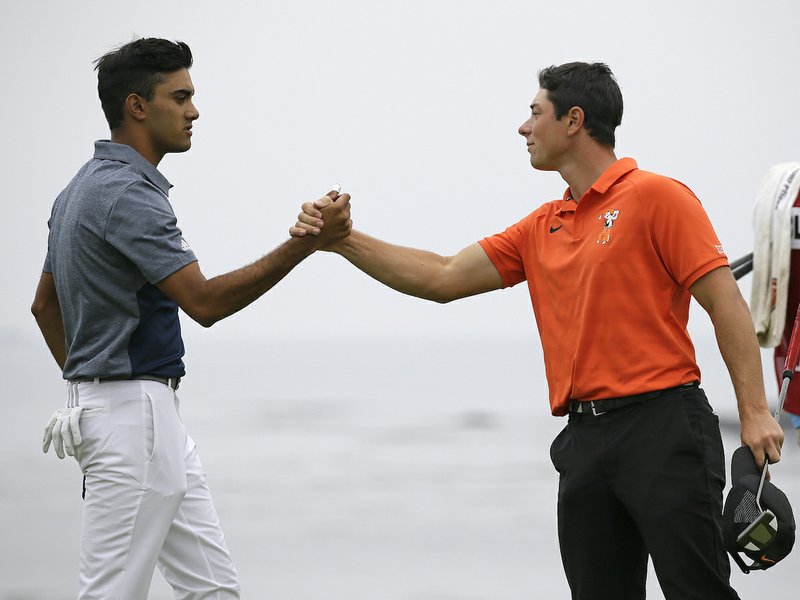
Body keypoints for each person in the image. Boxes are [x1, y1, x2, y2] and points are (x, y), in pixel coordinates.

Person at [291, 62, 784, 599]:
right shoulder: (542, 224)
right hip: (585, 441)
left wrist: (755, 412)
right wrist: (342, 240)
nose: (523, 128)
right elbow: (441, 276)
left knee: (699, 592)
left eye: (534, 112)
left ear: (574, 120)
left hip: (664, 427)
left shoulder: (657, 196)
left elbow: (725, 303)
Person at [31, 37, 351, 600]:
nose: (194, 111)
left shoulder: (76, 189)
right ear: (137, 106)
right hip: (134, 421)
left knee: (213, 591)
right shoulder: (129, 192)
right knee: (110, 593)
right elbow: (203, 303)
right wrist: (305, 243)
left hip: (137, 418)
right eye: (180, 97)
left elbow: (44, 307)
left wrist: (86, 393)